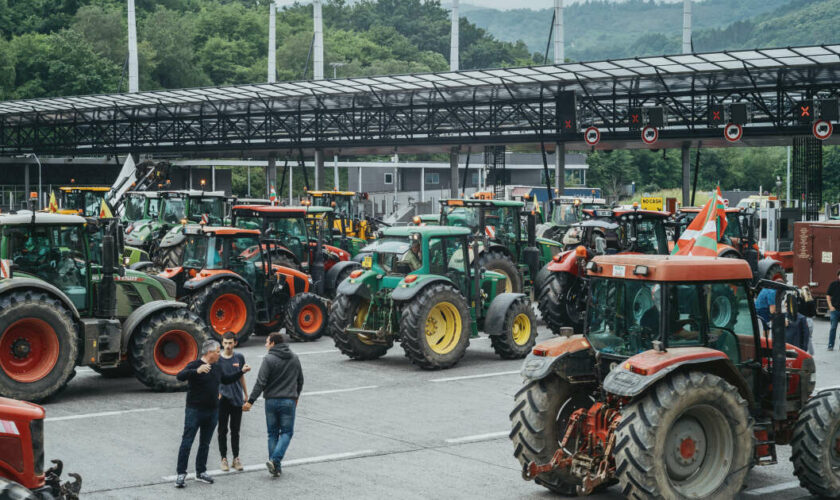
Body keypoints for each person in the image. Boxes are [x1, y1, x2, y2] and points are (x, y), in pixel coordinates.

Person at [174, 340, 251, 489]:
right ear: (209, 352)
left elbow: (227, 380)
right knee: (187, 441)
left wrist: (241, 372)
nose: (219, 354)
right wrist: (196, 371)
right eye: (217, 351)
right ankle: (181, 473)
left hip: (212, 411)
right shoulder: (195, 365)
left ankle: (201, 471)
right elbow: (180, 376)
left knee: (205, 443)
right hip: (194, 411)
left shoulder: (217, 367)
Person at [242, 332, 304, 477]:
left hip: (271, 401)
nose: (265, 345)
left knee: (272, 434)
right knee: (287, 433)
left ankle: (275, 463)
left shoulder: (268, 359)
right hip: (289, 400)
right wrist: (296, 396)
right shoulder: (294, 358)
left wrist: (250, 401)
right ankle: (275, 464)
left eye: (267, 342)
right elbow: (300, 380)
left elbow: (260, 383)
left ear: (273, 343)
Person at [218, 332, 248, 472]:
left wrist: (246, 394)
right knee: (222, 430)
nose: (228, 346)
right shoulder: (218, 359)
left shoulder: (239, 357)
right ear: (222, 343)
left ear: (235, 343)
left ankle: (236, 458)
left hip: (236, 398)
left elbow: (241, 376)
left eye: (230, 343)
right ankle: (223, 459)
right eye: (225, 343)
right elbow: (215, 378)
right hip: (222, 400)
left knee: (235, 431)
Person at [827, 270, 840, 350]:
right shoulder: (833, 284)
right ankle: (830, 345)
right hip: (834, 310)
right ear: (838, 276)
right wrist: (830, 306)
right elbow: (828, 295)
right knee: (833, 328)